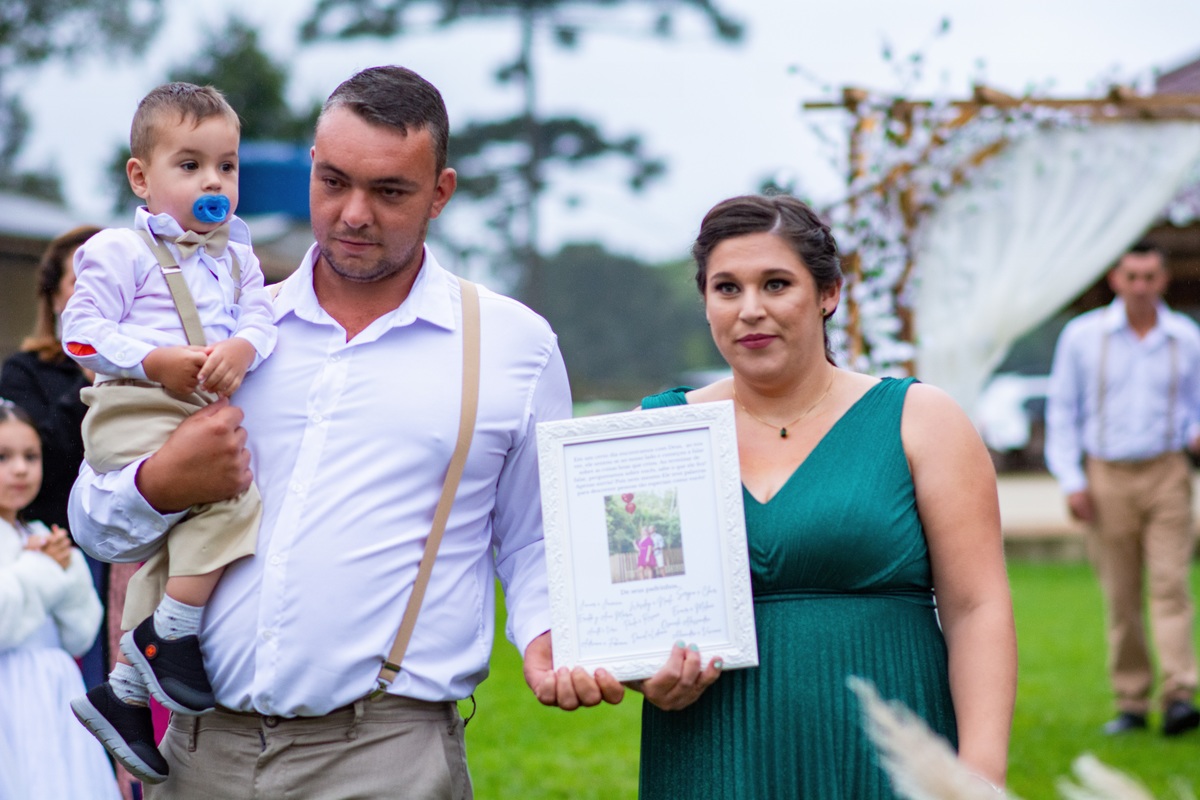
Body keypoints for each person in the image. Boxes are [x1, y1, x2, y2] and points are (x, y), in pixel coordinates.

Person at [68, 65, 621, 799]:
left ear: (440, 193)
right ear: (310, 169)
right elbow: (94, 525)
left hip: (386, 756)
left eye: (389, 191)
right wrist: (159, 483)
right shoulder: (227, 330)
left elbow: (534, 539)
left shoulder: (512, 346)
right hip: (200, 754)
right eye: (333, 182)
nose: (354, 214)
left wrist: (551, 633)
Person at [630, 194, 1016, 798]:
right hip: (714, 749)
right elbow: (634, 611)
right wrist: (645, 675)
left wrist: (980, 777)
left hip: (890, 750)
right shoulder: (655, 432)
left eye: (776, 284)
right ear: (705, 302)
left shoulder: (921, 420)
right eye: (727, 289)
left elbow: (976, 607)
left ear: (828, 294)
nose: (751, 309)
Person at [64, 82, 277, 784]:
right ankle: (170, 635)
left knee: (180, 545)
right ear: (141, 177)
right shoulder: (120, 250)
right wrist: (152, 358)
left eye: (227, 166)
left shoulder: (238, 257)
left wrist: (243, 346)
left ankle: (124, 691)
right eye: (190, 165)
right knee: (233, 497)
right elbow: (80, 330)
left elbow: (260, 318)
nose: (213, 181)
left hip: (192, 412)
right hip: (135, 408)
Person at [1045, 242, 1200, 737]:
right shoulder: (1083, 336)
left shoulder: (1185, 337)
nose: (1140, 287)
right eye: (1132, 277)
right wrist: (1072, 480)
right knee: (1121, 594)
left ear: (1163, 280)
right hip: (1106, 474)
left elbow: (1196, 405)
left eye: (1149, 277)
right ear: (1116, 279)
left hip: (1168, 472)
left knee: (1171, 585)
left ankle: (1179, 697)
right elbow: (1062, 410)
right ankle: (1132, 701)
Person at [0, 224, 108, 688]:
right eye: (82, 280)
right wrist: (89, 376)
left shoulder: (149, 367)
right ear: (55, 297)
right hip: (59, 545)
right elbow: (33, 466)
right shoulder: (25, 372)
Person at [0, 398, 122, 799]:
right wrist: (43, 568)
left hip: (55, 688)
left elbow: (80, 634)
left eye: (30, 456)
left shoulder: (40, 533)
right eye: (3, 457)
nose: (21, 468)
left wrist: (67, 567)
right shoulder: (36, 551)